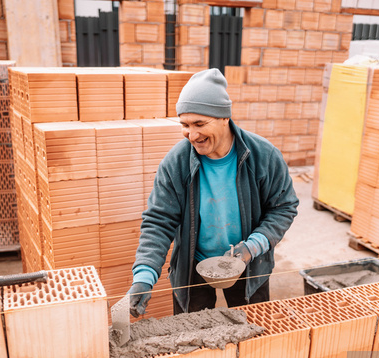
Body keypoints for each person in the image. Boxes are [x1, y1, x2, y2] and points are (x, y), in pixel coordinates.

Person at [127, 68, 299, 317]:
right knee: (193, 337)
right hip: (193, 264)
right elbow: (159, 221)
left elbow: (283, 207)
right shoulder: (176, 163)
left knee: (251, 333)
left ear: (224, 118)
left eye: (199, 124)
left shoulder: (263, 156)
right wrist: (144, 275)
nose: (192, 135)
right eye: (185, 125)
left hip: (249, 264)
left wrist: (252, 247)